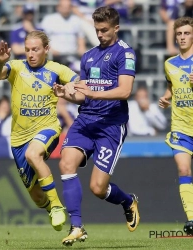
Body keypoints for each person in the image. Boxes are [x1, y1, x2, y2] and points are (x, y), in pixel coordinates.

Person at [53, 6, 139, 246]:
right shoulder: (88, 55)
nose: (100, 34)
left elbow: (125, 91)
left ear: (116, 28)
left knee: (98, 189)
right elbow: (83, 95)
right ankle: (77, 226)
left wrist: (93, 92)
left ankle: (127, 201)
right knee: (66, 163)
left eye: (104, 30)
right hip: (85, 121)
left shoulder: (125, 53)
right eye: (97, 30)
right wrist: (66, 94)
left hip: (110, 125)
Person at [0, 30, 79, 231]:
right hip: (19, 137)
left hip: (48, 128)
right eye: (28, 49)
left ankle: (57, 206)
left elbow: (77, 80)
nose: (30, 54)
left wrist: (71, 87)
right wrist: (1, 62)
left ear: (46, 49)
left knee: (33, 154)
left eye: (35, 49)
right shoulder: (16, 67)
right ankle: (48, 207)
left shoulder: (56, 69)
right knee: (36, 196)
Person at [159, 16, 193, 235]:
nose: (182, 37)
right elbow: (172, 86)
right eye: (179, 34)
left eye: (187, 33)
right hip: (181, 126)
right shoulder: (169, 63)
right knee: (183, 169)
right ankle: (191, 219)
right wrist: (166, 97)